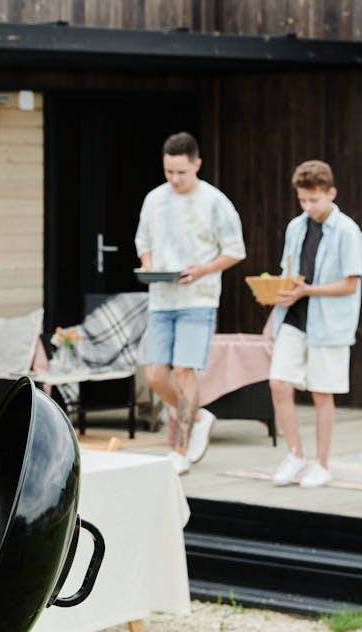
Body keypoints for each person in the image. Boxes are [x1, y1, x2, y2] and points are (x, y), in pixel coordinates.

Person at [136, 132, 246, 475]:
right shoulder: (154, 199)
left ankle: (180, 451)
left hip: (198, 298)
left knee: (184, 370)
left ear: (197, 164)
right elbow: (143, 240)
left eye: (181, 172)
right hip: (161, 298)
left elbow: (235, 251)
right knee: (155, 375)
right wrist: (149, 262)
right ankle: (198, 416)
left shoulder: (215, 201)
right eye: (169, 171)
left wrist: (203, 270)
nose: (174, 179)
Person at [265, 160, 362, 488]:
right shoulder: (296, 226)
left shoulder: (348, 230)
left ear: (331, 193)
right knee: (279, 383)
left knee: (323, 393)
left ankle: (322, 463)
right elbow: (286, 273)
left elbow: (350, 283)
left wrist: (308, 290)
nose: (308, 207)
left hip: (329, 323)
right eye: (302, 200)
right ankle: (296, 455)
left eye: (314, 201)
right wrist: (273, 310)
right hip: (292, 317)